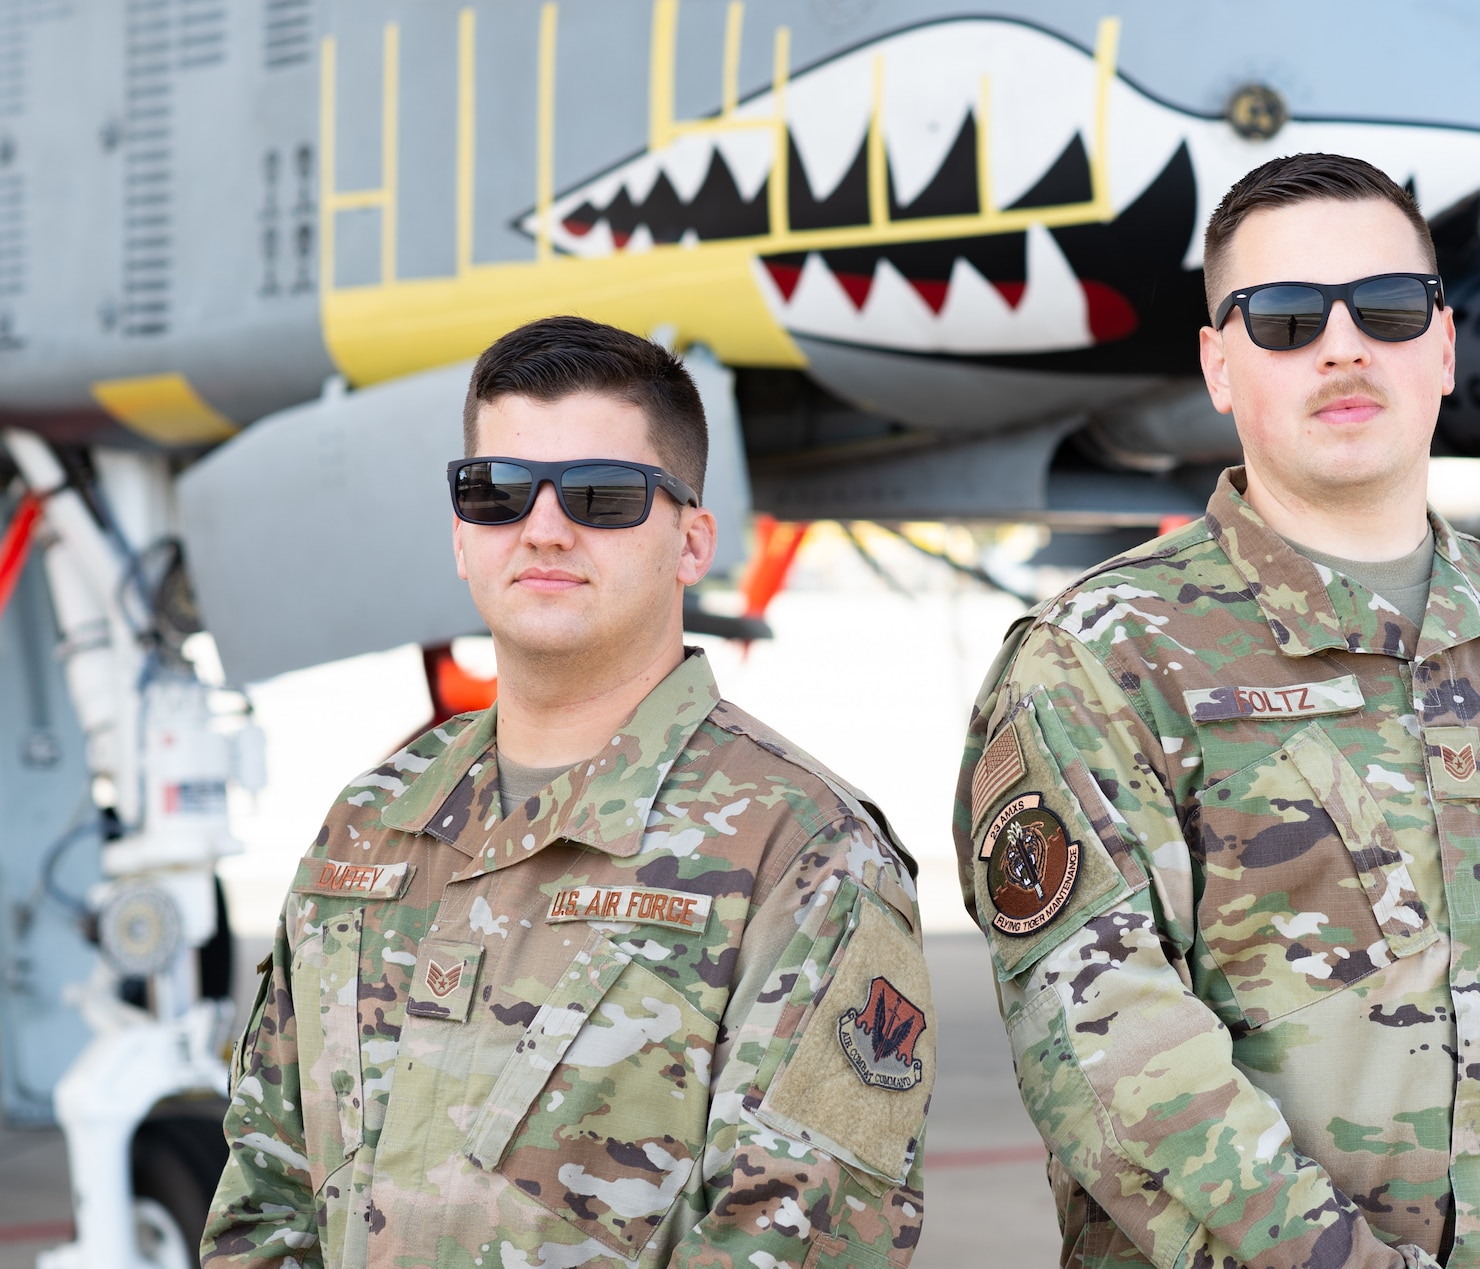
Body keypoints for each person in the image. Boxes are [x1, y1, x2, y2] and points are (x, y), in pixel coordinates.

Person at [953, 154, 1480, 1269]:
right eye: (1281, 318)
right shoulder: (1102, 661)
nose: (1341, 346)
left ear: (1442, 346)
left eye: (1384, 309)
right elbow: (1106, 1051)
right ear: (1217, 365)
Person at [204, 316, 933, 1268]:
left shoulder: (803, 853)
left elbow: (798, 1239)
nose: (543, 527)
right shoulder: (368, 826)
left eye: (602, 494)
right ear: (462, 536)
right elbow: (263, 1205)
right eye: (497, 492)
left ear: (690, 540)